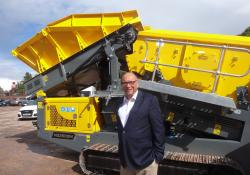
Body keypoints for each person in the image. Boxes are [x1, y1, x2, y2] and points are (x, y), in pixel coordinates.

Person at [114, 72, 165, 175]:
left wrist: (158, 156)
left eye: (131, 82)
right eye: (125, 83)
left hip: (146, 162)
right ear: (121, 85)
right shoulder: (119, 103)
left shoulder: (149, 100)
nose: (128, 85)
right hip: (126, 163)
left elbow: (158, 129)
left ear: (137, 83)